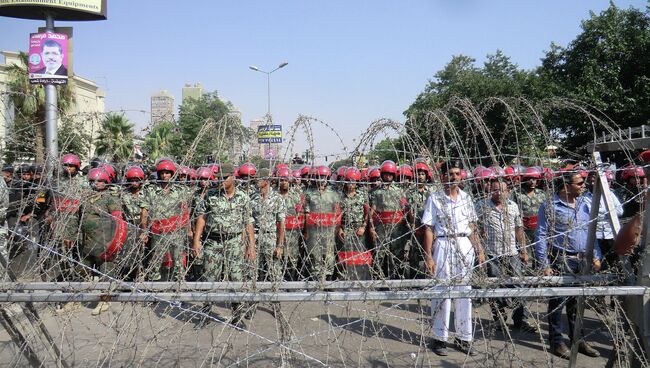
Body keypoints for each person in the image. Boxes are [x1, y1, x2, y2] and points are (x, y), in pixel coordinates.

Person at [534, 169, 602, 359]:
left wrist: (596, 255)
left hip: (583, 259)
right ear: (565, 186)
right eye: (579, 183)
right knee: (558, 301)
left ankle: (578, 339)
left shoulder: (584, 205)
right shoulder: (550, 206)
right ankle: (557, 342)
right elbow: (540, 235)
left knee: (578, 301)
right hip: (561, 258)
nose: (583, 186)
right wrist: (544, 264)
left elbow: (591, 231)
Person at [422, 160, 485, 356]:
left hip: (464, 245)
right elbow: (428, 228)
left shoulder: (466, 198)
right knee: (442, 291)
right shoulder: (435, 198)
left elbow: (472, 227)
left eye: (457, 174)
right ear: (443, 176)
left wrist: (479, 249)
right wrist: (429, 256)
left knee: (464, 292)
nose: (454, 177)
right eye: (450, 173)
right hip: (443, 244)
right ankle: (440, 337)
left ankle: (464, 338)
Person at [193, 163, 255, 329]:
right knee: (209, 278)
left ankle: (237, 315)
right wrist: (196, 240)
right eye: (218, 177)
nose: (220, 181)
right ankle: (205, 313)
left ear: (232, 178)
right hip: (213, 242)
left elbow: (248, 222)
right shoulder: (211, 195)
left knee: (236, 278)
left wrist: (251, 246)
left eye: (224, 178)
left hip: (234, 242)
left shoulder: (243, 197)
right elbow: (202, 218)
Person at [475, 179, 536, 333]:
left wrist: (523, 250)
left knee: (518, 285)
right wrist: (480, 249)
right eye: (495, 190)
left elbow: (518, 230)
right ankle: (499, 319)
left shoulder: (513, 206)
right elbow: (475, 228)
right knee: (495, 287)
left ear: (508, 191)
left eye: (502, 190)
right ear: (491, 191)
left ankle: (520, 320)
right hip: (492, 253)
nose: (499, 193)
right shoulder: (482, 206)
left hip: (511, 252)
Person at [79, 168, 126, 315]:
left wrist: (113, 244)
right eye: (93, 181)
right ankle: (75, 299)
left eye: (100, 181)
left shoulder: (110, 199)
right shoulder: (86, 199)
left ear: (106, 182)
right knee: (81, 271)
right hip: (86, 242)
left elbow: (119, 221)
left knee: (105, 272)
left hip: (104, 243)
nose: (96, 183)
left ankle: (104, 300)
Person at [141, 159, 191, 281]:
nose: (165, 175)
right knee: (155, 262)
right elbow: (144, 211)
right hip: (158, 231)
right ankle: (155, 291)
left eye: (168, 173)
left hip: (176, 232)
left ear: (172, 174)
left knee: (178, 262)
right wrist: (144, 230)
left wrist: (189, 230)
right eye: (162, 173)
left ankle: (179, 290)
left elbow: (185, 211)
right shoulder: (151, 191)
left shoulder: (180, 191)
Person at [368, 160, 409, 279]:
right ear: (382, 175)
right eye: (386, 174)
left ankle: (397, 280)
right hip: (380, 228)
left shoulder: (399, 191)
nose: (388, 176)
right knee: (379, 255)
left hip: (396, 228)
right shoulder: (375, 192)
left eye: (390, 174)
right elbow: (371, 211)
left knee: (397, 255)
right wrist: (371, 228)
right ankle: (378, 280)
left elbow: (404, 208)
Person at [303, 166, 341, 281]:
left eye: (324, 177)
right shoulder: (309, 194)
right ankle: (315, 278)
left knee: (329, 255)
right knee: (315, 254)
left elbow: (337, 213)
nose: (322, 180)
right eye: (319, 177)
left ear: (328, 177)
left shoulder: (333, 194)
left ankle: (328, 278)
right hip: (314, 231)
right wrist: (306, 231)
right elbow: (307, 213)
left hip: (329, 230)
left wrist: (337, 229)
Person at [336, 167, 371, 280]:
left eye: (353, 181)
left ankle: (359, 278)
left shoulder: (362, 196)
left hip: (358, 230)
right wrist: (339, 229)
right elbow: (338, 214)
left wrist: (363, 227)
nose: (351, 184)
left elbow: (367, 213)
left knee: (358, 255)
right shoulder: (340, 197)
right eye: (349, 181)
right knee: (344, 255)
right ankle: (344, 279)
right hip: (345, 229)